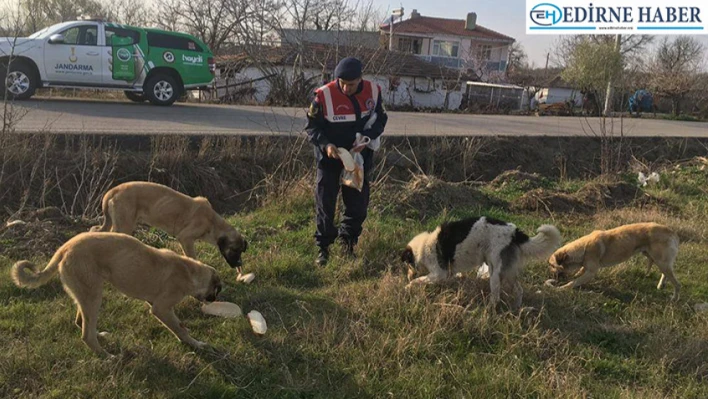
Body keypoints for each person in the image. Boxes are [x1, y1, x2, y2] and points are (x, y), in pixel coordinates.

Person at [304, 57, 388, 266]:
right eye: (342, 83)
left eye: (351, 84)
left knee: (358, 204)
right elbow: (312, 127)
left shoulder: (374, 92)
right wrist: (326, 145)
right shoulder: (323, 95)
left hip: (358, 157)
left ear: (360, 79)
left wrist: (366, 138)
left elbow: (381, 119)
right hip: (330, 157)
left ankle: (348, 242)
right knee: (325, 202)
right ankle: (323, 247)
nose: (346, 88)